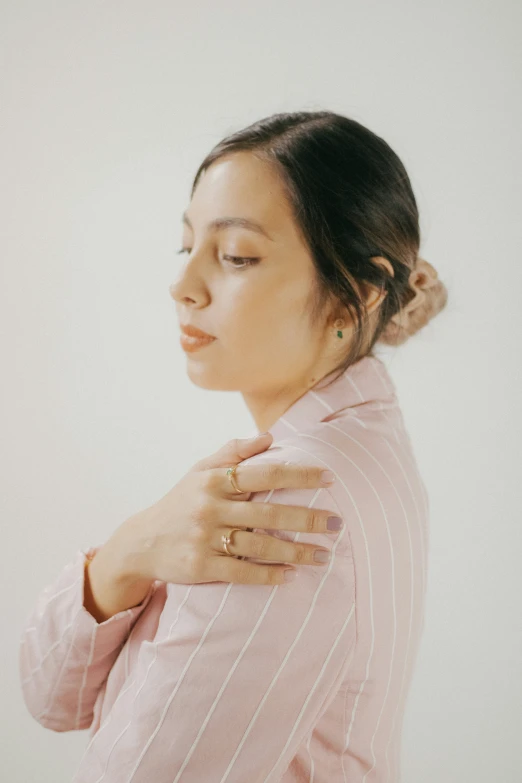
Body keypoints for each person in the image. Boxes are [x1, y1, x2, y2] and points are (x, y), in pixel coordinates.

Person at [19, 110, 448, 782]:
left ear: (355, 295)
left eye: (238, 256)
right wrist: (133, 546)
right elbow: (51, 696)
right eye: (186, 246)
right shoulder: (362, 441)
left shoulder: (288, 496)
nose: (184, 286)